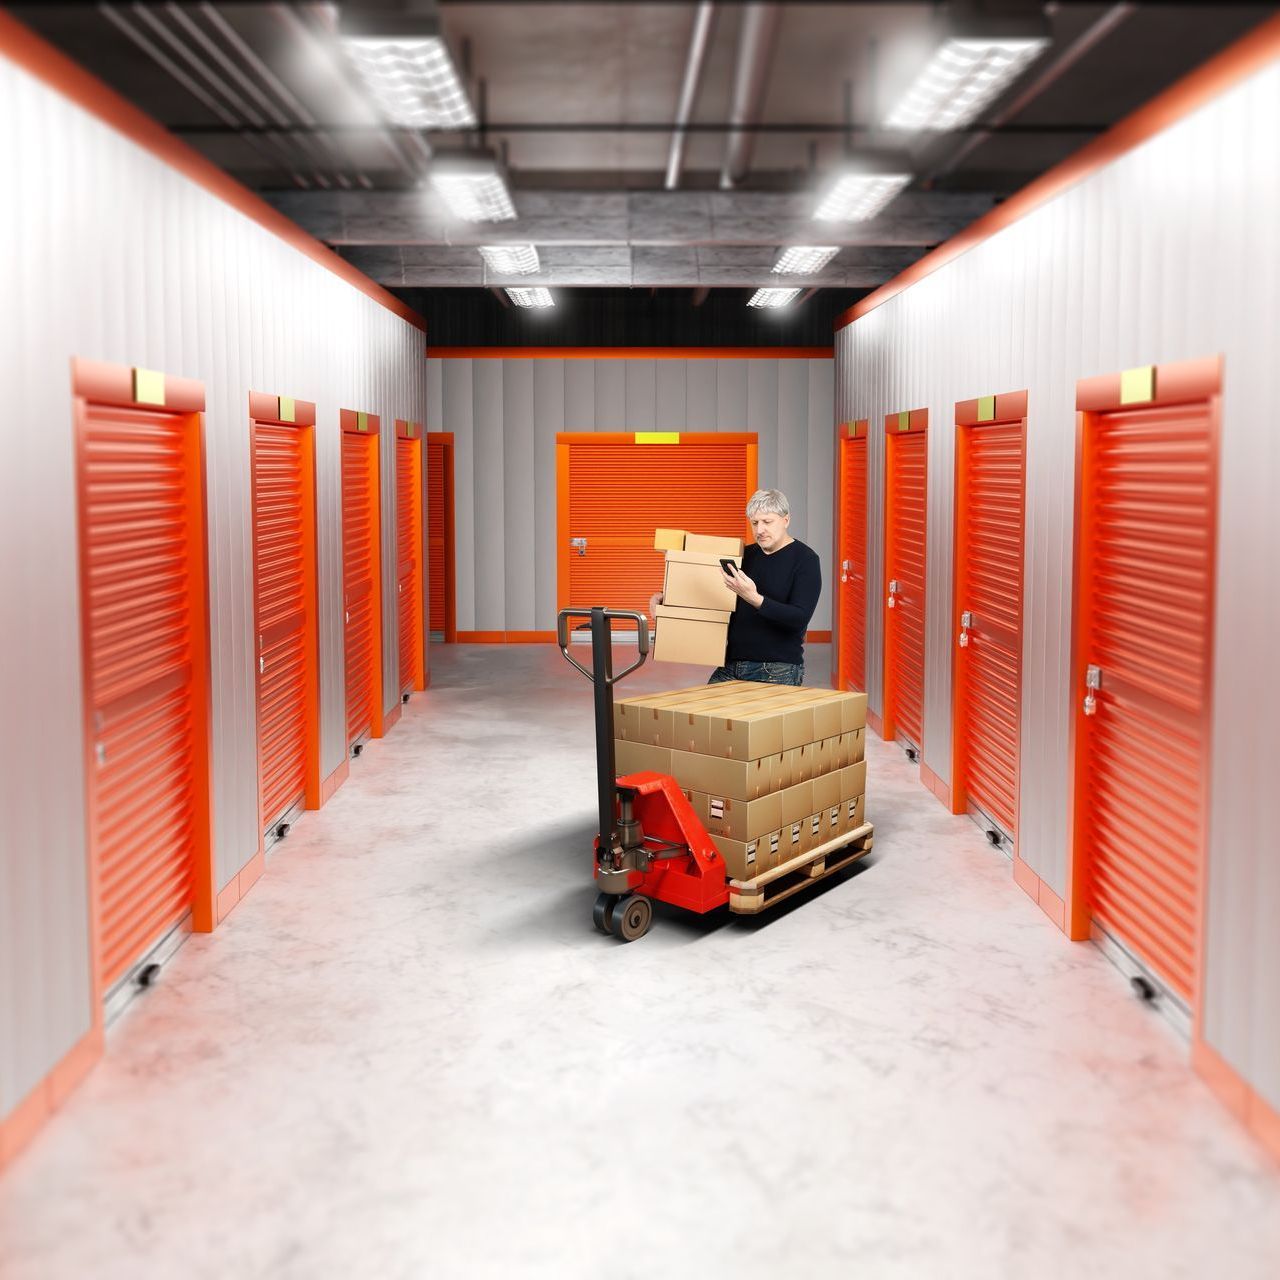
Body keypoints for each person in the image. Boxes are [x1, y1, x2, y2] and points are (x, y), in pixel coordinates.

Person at [650, 488, 822, 687]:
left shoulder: (805, 559)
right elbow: (707, 588)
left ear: (786, 520)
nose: (759, 530)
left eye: (767, 522)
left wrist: (754, 598)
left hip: (777, 668)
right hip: (731, 663)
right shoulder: (744, 556)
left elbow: (799, 618)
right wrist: (666, 598)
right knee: (708, 716)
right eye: (755, 522)